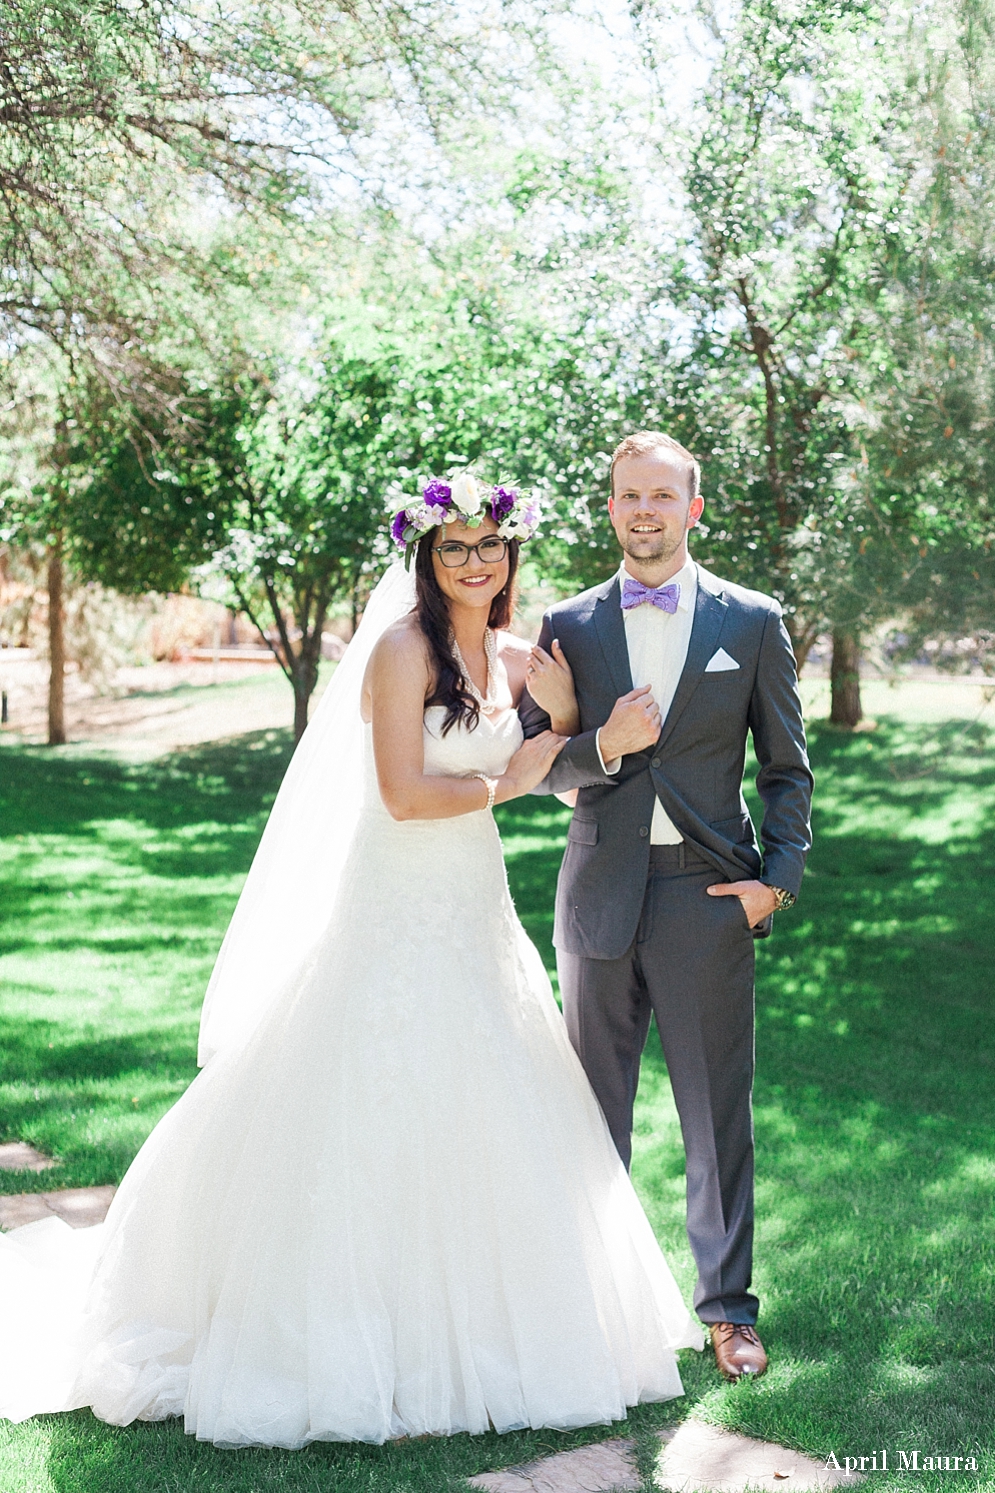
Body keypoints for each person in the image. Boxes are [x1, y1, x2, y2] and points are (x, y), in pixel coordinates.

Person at [0, 470, 701, 1450]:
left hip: (471, 896)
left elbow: (539, 767)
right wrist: (532, 758)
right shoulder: (400, 647)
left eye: (487, 545)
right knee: (363, 1077)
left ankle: (509, 1318)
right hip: (398, 887)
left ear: (508, 555)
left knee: (492, 1083)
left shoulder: (510, 653)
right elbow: (408, 797)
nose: (472, 560)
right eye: (452, 545)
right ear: (425, 555)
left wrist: (596, 735)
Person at [519, 431, 813, 1383]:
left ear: (692, 507)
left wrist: (776, 881)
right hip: (597, 892)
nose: (642, 511)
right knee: (586, 1111)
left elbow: (786, 771)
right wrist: (599, 741)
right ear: (608, 508)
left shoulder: (752, 621)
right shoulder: (565, 626)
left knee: (713, 1114)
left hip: (706, 894)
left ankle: (727, 1311)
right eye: (626, 496)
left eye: (660, 496)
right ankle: (583, 1302)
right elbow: (529, 768)